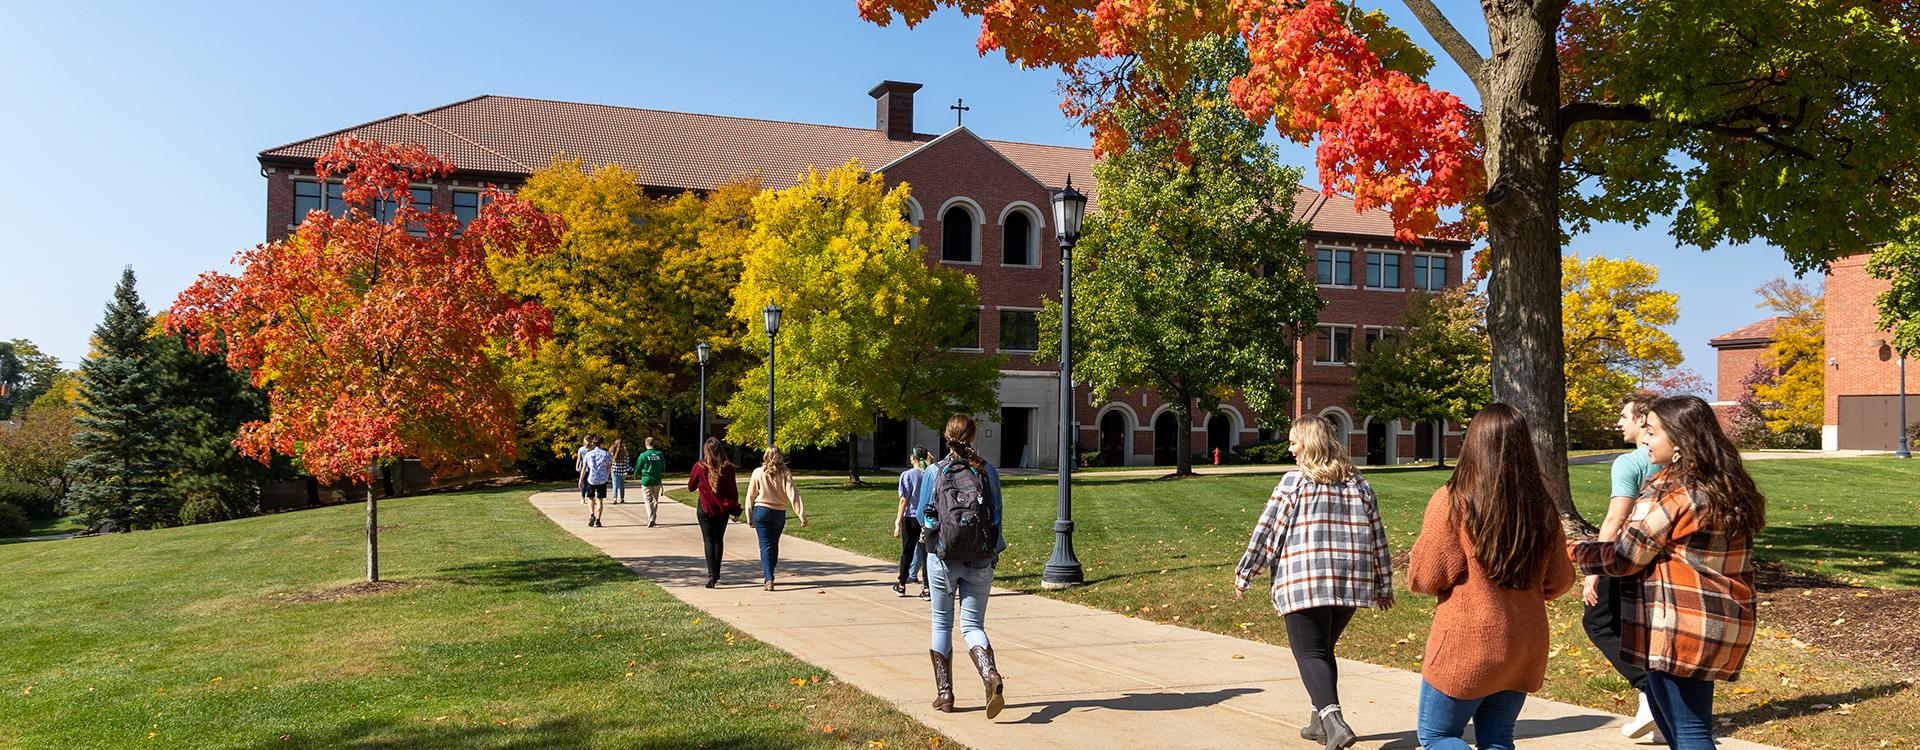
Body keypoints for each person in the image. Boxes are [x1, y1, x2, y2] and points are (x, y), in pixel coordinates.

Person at [1572, 395, 1764, 750]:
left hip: (1679, 628)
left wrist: (1569, 551)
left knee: (1689, 734)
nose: (1645, 440)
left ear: (1680, 440)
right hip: (1714, 624)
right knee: (1680, 728)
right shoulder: (1726, 487)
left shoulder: (1673, 492)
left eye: (1653, 431)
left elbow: (1626, 557)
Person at [1409, 403, 1575, 750]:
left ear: (1472, 443)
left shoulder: (1454, 501)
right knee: (1497, 738)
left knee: (1437, 736)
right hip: (1524, 643)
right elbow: (1560, 581)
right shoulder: (1540, 504)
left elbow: (1427, 578)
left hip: (1467, 644)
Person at [1232, 414, 1394, 750]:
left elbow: (1268, 532)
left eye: (1294, 441)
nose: (1290, 449)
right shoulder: (1359, 484)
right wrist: (1383, 585)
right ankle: (1318, 723)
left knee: (1309, 653)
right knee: (1322, 651)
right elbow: (1378, 537)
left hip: (1305, 581)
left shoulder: (1295, 482)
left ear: (1310, 443)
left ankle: (1334, 722)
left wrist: (1246, 572)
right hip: (1350, 583)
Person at [1584, 394, 1662, 740]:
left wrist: (1596, 570)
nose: (1619, 422)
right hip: (1666, 560)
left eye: (1624, 415)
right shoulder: (1684, 460)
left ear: (1643, 420)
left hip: (1629, 555)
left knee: (1599, 622)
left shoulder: (1629, 462)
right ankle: (1663, 711)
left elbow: (1616, 517)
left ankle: (1650, 693)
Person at [920, 414, 1007, 719]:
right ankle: (990, 675)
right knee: (973, 626)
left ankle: (945, 695)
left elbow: (923, 516)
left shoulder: (934, 471)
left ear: (946, 438)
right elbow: (996, 516)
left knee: (941, 624)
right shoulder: (986, 471)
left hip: (942, 558)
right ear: (972, 438)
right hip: (980, 557)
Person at [746, 446, 808, 591]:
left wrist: (749, 516)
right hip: (779, 513)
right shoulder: (785, 473)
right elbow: (793, 495)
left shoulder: (757, 472)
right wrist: (801, 515)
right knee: (773, 544)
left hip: (761, 512)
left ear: (765, 456)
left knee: (765, 545)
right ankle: (770, 574)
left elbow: (750, 496)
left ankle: (769, 578)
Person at [686, 437, 741, 588]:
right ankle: (716, 574)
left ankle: (711, 574)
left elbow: (690, 487)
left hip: (705, 509)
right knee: (718, 540)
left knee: (709, 540)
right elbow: (733, 491)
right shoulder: (728, 468)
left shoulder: (699, 466)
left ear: (706, 451)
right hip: (722, 510)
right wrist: (736, 509)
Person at [892, 446, 934, 598]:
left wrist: (898, 520)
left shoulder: (907, 475)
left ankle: (901, 584)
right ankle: (927, 588)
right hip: (926, 518)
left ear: (913, 459)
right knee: (926, 554)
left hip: (910, 518)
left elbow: (904, 499)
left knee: (907, 552)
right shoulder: (931, 473)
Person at [634, 437, 667, 527]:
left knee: (648, 500)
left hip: (646, 480)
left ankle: (651, 518)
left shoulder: (643, 455)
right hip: (657, 481)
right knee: (655, 501)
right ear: (654, 444)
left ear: (646, 444)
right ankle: (652, 518)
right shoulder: (659, 454)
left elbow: (638, 466)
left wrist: (635, 475)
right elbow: (663, 467)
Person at [581, 436, 612, 528]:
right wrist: (607, 475)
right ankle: (598, 520)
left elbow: (584, 467)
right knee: (600, 500)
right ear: (601, 444)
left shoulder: (588, 454)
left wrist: (581, 479)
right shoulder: (606, 454)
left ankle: (592, 515)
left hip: (591, 478)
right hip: (602, 479)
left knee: (590, 498)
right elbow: (609, 467)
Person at [609, 439, 631, 505]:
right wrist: (630, 469)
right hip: (623, 471)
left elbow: (610, 462)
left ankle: (614, 498)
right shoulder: (625, 452)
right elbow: (627, 463)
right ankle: (622, 498)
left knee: (615, 484)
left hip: (615, 471)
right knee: (622, 485)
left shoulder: (612, 451)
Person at [575, 435, 592, 504]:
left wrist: (577, 466)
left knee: (584, 484)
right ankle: (588, 498)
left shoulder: (581, 449)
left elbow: (579, 459)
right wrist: (577, 466)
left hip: (585, 468)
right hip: (588, 468)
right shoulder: (591, 449)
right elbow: (579, 459)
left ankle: (584, 498)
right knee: (589, 484)